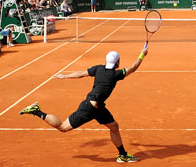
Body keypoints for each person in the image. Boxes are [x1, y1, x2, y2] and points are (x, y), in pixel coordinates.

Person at [20, 46, 148, 163]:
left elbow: (81, 73)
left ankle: (122, 154)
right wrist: (142, 54)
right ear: (117, 62)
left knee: (114, 126)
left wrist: (65, 76)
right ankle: (36, 111)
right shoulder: (115, 74)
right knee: (63, 127)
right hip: (89, 107)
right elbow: (133, 67)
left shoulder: (99, 69)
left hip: (99, 108)